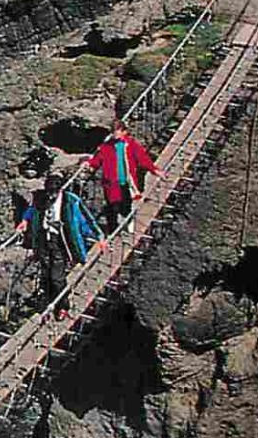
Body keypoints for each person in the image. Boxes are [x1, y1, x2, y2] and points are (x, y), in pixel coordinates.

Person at [15, 172, 104, 317]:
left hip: (62, 241)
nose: (51, 195)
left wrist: (99, 237)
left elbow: (86, 219)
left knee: (57, 277)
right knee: (45, 274)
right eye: (49, 192)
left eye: (54, 192)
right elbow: (32, 210)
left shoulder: (71, 200)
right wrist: (25, 221)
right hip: (43, 240)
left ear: (61, 190)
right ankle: (50, 302)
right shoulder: (41, 198)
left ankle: (63, 305)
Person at [87, 119, 159, 235]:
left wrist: (154, 169)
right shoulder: (106, 146)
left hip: (126, 181)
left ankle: (129, 224)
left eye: (118, 132)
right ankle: (112, 231)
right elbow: (97, 159)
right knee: (112, 207)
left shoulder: (131, 144)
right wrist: (89, 164)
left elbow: (142, 158)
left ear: (124, 132)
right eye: (114, 132)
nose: (115, 134)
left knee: (126, 205)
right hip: (111, 182)